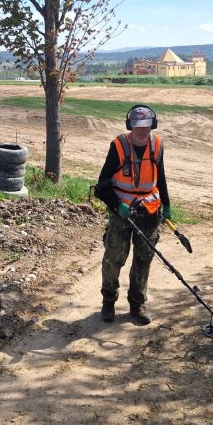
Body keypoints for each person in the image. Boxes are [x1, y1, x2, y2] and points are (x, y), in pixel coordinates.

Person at [94, 104, 170, 325]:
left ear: (152, 125)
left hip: (149, 211)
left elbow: (161, 177)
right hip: (122, 211)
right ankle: (108, 301)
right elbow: (102, 185)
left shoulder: (157, 145)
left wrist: (167, 205)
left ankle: (137, 304)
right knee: (113, 258)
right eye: (137, 125)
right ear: (130, 125)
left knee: (143, 259)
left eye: (146, 125)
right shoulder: (119, 145)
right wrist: (118, 206)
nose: (141, 130)